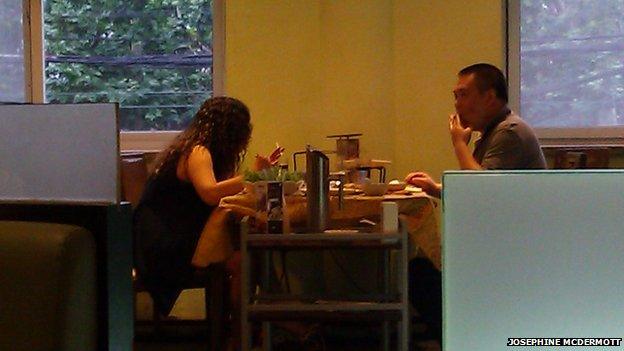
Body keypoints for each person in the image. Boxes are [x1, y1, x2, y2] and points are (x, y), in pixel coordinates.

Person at [404, 63, 546, 347]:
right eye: (455, 95)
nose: (457, 103)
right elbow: (484, 184)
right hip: (504, 246)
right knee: (418, 270)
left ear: (490, 97)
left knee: (416, 275)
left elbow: (481, 192)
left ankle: (467, 337)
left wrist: (459, 144)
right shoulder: (496, 132)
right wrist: (436, 188)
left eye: (463, 94)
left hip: (518, 253)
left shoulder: (510, 133)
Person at [133, 96, 283, 318]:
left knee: (252, 254)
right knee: (243, 260)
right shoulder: (197, 152)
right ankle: (242, 329)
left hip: (177, 234)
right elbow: (210, 193)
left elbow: (225, 191)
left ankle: (257, 324)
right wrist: (254, 176)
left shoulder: (203, 152)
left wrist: (255, 175)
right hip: (162, 242)